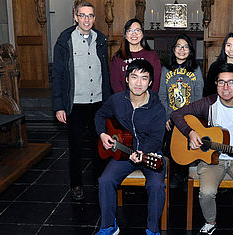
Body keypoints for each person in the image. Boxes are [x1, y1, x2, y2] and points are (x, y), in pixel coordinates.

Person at [171, 63, 233, 235]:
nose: (225, 87)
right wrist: (190, 133)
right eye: (221, 82)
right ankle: (210, 222)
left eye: (230, 82)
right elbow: (176, 114)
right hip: (211, 159)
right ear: (216, 84)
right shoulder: (208, 103)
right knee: (206, 192)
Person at [94, 59, 166, 235]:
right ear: (127, 79)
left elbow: (157, 138)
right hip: (124, 152)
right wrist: (102, 134)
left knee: (156, 186)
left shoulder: (157, 108)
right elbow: (100, 114)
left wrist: (143, 152)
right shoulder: (117, 100)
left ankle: (153, 230)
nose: (138, 83)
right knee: (105, 181)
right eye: (134, 77)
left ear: (150, 82)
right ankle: (109, 226)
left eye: (144, 78)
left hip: (150, 154)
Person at [52, 1, 111, 201]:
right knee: (76, 147)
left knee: (99, 145)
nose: (86, 19)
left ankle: (98, 180)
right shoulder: (64, 40)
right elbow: (58, 74)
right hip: (75, 103)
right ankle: (76, 184)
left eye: (90, 16)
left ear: (94, 18)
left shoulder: (101, 39)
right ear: (75, 17)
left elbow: (106, 73)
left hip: (98, 103)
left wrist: (109, 102)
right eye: (82, 15)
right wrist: (59, 105)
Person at [158, 33, 204, 188]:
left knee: (187, 149)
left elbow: (198, 96)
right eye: (179, 46)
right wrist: (166, 117)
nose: (182, 50)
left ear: (190, 50)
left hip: (188, 118)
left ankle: (185, 177)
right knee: (171, 148)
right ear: (174, 49)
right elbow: (162, 95)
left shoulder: (196, 69)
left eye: (185, 46)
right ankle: (173, 176)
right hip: (171, 118)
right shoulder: (166, 69)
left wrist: (193, 120)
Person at [110, 18, 161, 93]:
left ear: (142, 34)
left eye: (137, 30)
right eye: (130, 31)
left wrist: (149, 100)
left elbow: (156, 82)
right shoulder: (118, 58)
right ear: (125, 35)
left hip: (147, 101)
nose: (134, 34)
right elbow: (115, 84)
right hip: (124, 101)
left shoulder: (152, 56)